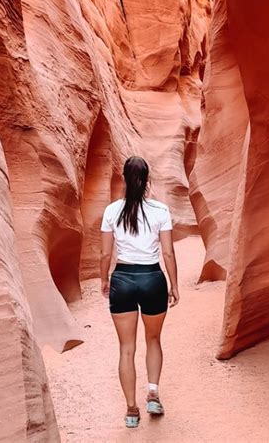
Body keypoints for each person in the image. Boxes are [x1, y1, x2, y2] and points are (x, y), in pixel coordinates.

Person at [100, 155, 180, 428]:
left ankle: (131, 410)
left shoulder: (112, 211)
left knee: (126, 348)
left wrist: (104, 280)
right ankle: (153, 394)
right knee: (153, 340)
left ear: (124, 178)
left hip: (122, 279)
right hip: (151, 279)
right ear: (147, 180)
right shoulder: (160, 210)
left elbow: (104, 253)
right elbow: (167, 252)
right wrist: (174, 284)